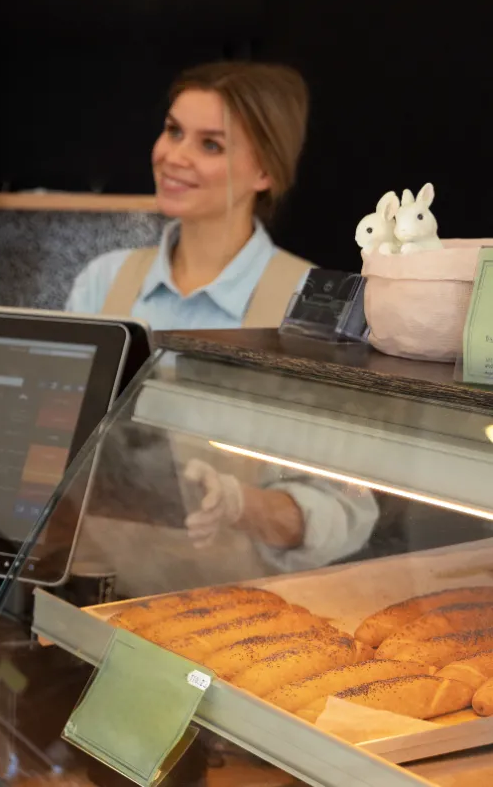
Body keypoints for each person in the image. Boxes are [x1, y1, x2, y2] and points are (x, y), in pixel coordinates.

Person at [68, 61, 376, 573]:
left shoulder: (314, 306)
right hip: (83, 604)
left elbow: (347, 511)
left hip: (226, 621)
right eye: (173, 131)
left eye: (210, 144)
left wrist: (240, 504)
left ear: (267, 173)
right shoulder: (102, 282)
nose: (173, 156)